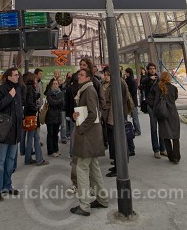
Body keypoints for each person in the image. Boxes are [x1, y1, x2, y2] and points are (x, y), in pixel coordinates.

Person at [70, 67, 108, 216]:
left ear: (88, 77)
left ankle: (84, 205)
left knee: (81, 168)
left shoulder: (89, 90)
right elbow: (88, 111)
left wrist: (81, 128)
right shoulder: (86, 90)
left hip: (88, 135)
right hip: (91, 135)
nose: (78, 76)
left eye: (82, 75)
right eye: (78, 74)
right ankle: (102, 199)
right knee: (94, 168)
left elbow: (93, 113)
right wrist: (76, 115)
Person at [0, 67, 23, 201]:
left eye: (18, 75)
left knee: (10, 161)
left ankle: (7, 186)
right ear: (8, 77)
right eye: (15, 75)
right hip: (3, 132)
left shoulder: (18, 89)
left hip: (15, 130)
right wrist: (10, 96)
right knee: (0, 161)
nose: (17, 77)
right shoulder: (1, 89)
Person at [102, 67, 135, 179]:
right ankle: (117, 164)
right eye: (105, 74)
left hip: (115, 116)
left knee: (117, 141)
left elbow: (117, 101)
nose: (105, 76)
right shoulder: (116, 82)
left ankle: (119, 167)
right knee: (114, 141)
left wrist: (109, 116)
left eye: (107, 74)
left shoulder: (118, 84)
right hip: (114, 116)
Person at [148, 71, 181, 164]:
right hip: (173, 113)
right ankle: (176, 156)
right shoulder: (173, 88)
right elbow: (175, 98)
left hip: (162, 114)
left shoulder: (157, 87)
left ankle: (170, 155)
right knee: (175, 135)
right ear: (169, 78)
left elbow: (150, 99)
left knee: (166, 135)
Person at [140, 62, 167, 159]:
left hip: (159, 105)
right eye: (150, 69)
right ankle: (156, 149)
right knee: (154, 128)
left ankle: (163, 148)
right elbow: (141, 83)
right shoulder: (145, 78)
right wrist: (148, 79)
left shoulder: (159, 78)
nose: (152, 70)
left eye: (153, 68)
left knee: (161, 127)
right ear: (148, 70)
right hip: (151, 106)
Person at [22, 72, 49, 166]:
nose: (37, 81)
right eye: (36, 80)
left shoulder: (29, 88)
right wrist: (36, 110)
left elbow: (31, 99)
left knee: (30, 137)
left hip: (29, 114)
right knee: (36, 138)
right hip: (32, 115)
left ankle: (28, 158)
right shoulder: (30, 88)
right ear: (32, 80)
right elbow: (29, 102)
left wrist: (36, 95)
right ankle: (39, 159)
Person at [45, 78, 63, 157]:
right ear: (51, 85)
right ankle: (50, 151)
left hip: (58, 116)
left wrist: (57, 102)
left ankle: (56, 149)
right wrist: (59, 101)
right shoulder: (49, 93)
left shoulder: (61, 93)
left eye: (57, 83)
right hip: (50, 116)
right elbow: (51, 102)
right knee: (51, 134)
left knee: (56, 134)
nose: (55, 85)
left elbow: (63, 104)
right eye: (54, 84)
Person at [125, 68, 141, 136]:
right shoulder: (131, 80)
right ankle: (137, 129)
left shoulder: (130, 81)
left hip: (132, 101)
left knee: (134, 117)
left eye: (126, 73)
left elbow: (134, 91)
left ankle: (137, 130)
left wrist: (128, 95)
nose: (125, 74)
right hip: (133, 101)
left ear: (128, 73)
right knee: (134, 116)